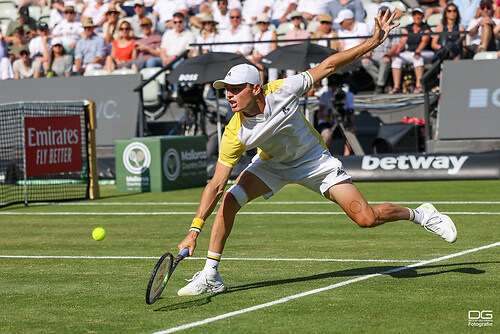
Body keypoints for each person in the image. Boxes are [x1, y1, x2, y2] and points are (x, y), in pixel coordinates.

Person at [175, 11, 458, 296]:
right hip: (271, 165)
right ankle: (211, 274)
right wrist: (194, 229)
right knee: (230, 200)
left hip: (314, 162)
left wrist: (372, 43)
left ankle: (421, 214)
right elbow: (216, 184)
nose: (229, 96)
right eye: (226, 90)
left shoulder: (283, 90)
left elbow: (330, 64)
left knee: (367, 218)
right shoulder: (234, 132)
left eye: (236, 90)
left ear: (256, 88)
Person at [390, 7, 434, 94]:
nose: (417, 16)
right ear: (412, 16)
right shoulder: (408, 28)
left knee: (418, 58)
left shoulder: (426, 27)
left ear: (422, 16)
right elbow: (402, 41)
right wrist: (397, 51)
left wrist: (418, 51)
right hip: (411, 52)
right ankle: (396, 87)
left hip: (425, 52)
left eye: (419, 14)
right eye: (415, 14)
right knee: (396, 60)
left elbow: (424, 42)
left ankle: (419, 86)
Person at [361, 6, 402, 93]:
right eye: (382, 15)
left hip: (387, 53)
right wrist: (368, 54)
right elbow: (370, 42)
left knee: (385, 60)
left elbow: (395, 45)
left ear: (390, 15)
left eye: (386, 14)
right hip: (375, 53)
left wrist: (388, 54)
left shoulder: (395, 28)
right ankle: (381, 82)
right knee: (365, 62)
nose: (384, 17)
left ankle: (379, 85)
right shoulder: (375, 27)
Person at [316, 74, 356, 155]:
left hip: (342, 121)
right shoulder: (325, 95)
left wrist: (352, 125)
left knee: (351, 133)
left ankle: (347, 157)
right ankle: (323, 156)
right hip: (328, 123)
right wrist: (327, 117)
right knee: (327, 134)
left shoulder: (349, 96)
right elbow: (319, 114)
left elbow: (351, 113)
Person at [248, 13, 278, 83]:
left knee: (259, 65)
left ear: (267, 23)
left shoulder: (272, 33)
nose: (262, 24)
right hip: (258, 58)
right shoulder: (256, 35)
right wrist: (255, 56)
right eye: (260, 22)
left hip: (268, 58)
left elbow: (273, 51)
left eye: (264, 22)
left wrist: (262, 57)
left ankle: (260, 88)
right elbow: (253, 50)